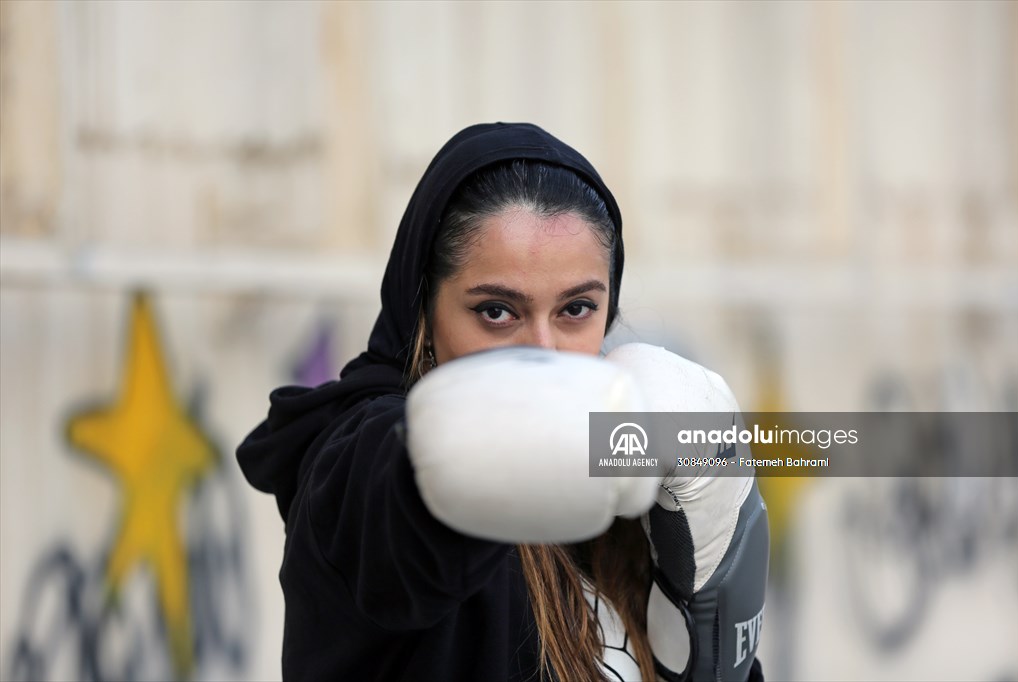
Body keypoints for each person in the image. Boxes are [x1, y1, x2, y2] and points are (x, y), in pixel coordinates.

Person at [237, 122, 768, 682]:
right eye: (497, 311)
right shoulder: (354, 462)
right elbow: (396, 517)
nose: (544, 354)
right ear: (423, 308)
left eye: (576, 309)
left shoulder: (624, 480)